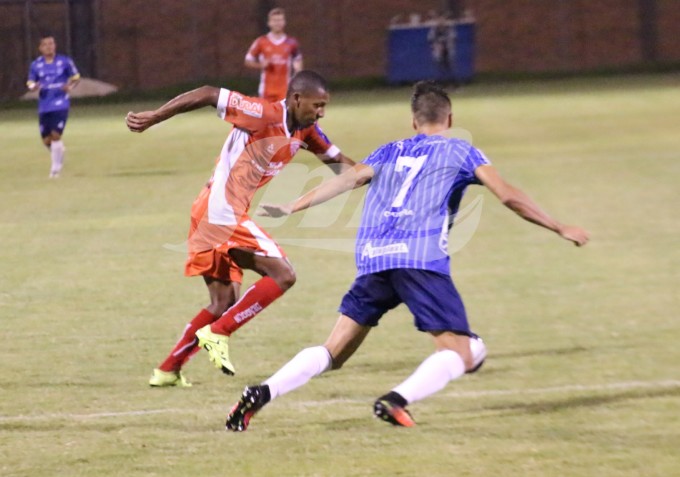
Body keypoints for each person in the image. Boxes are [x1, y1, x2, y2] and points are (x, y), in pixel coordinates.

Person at [223, 81, 590, 431]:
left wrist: (292, 205)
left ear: (414, 122)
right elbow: (508, 195)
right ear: (450, 119)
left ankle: (262, 392)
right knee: (464, 351)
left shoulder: (388, 150)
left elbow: (347, 179)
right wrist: (558, 227)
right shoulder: (461, 149)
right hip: (419, 261)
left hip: (374, 259)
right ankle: (397, 400)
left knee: (333, 352)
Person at [125, 71, 355, 387]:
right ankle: (218, 332)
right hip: (222, 211)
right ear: (297, 99)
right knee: (283, 274)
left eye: (324, 106)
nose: (321, 112)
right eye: (317, 105)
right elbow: (208, 92)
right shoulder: (262, 114)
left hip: (210, 209)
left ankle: (168, 369)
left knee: (223, 302)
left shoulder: (306, 131)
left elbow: (344, 167)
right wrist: (156, 116)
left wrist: (383, 171)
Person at [26, 35, 81, 178]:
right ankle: (58, 153)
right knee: (46, 140)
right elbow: (30, 81)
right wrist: (34, 86)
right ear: (40, 48)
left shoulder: (64, 61)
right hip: (44, 104)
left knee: (56, 135)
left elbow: (76, 77)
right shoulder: (36, 64)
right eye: (46, 44)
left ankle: (55, 169)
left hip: (61, 103)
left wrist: (70, 86)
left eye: (51, 43)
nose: (49, 46)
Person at [245, 7, 303, 102]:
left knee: (285, 115)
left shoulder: (291, 43)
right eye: (275, 20)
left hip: (285, 89)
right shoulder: (261, 41)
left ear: (284, 22)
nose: (277, 23)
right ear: (269, 23)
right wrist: (261, 65)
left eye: (280, 20)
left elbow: (298, 60)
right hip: (266, 90)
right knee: (266, 116)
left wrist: (298, 72)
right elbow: (248, 60)